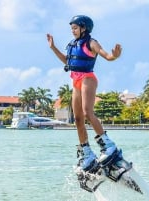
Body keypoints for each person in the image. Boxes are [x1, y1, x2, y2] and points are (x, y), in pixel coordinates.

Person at [47, 15, 122, 172]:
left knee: (88, 113)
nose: (73, 31)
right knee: (78, 118)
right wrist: (53, 47)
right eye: (71, 28)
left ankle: (108, 145)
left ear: (84, 28)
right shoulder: (73, 44)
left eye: (75, 28)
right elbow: (67, 61)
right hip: (76, 80)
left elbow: (107, 55)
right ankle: (87, 153)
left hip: (88, 78)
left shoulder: (91, 43)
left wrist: (114, 55)